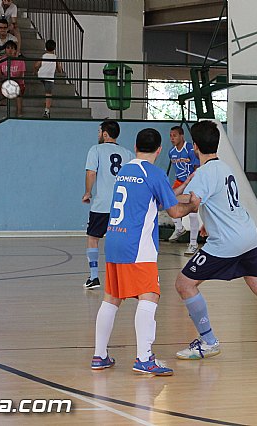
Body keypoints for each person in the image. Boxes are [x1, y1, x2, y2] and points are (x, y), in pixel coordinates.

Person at [174, 120, 257, 359]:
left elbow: (191, 205)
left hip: (228, 241)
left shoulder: (203, 173)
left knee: (184, 284)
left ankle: (209, 341)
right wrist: (207, 222)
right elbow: (223, 201)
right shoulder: (225, 168)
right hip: (249, 235)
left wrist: (172, 202)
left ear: (195, 147)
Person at [91, 128, 200, 376]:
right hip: (137, 246)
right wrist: (192, 205)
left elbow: (157, 197)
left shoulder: (126, 170)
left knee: (112, 297)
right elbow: (173, 212)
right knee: (149, 295)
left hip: (114, 240)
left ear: (136, 146)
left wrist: (184, 185)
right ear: (159, 150)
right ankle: (144, 358)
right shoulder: (155, 173)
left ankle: (100, 355)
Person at [82, 120, 135, 290]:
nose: (98, 134)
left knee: (93, 238)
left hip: (102, 204)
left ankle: (94, 277)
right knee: (121, 240)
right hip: (122, 205)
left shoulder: (96, 149)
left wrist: (88, 192)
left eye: (99, 131)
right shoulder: (127, 154)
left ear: (105, 134)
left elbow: (91, 173)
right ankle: (124, 278)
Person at [167, 125, 201, 255]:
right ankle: (179, 227)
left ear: (182, 136)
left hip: (192, 181)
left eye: (174, 135)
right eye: (170, 136)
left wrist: (193, 183)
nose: (172, 138)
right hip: (180, 181)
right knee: (167, 199)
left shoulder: (190, 149)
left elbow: (197, 167)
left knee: (193, 212)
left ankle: (193, 243)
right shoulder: (171, 152)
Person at [0, 40, 24, 115]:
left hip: (17, 82)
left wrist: (4, 77)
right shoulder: (2, 60)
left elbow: (19, 76)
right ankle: (2, 100)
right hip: (6, 81)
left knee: (18, 87)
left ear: (15, 50)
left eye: (12, 48)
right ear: (5, 49)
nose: (10, 50)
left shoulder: (20, 61)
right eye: (8, 48)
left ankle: (19, 112)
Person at [33, 39, 62, 119]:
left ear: (45, 48)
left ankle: (46, 102)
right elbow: (59, 70)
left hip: (41, 74)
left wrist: (35, 72)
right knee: (49, 93)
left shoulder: (43, 56)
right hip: (49, 77)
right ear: (54, 48)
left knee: (46, 90)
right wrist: (59, 68)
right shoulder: (55, 57)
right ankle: (47, 110)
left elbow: (36, 65)